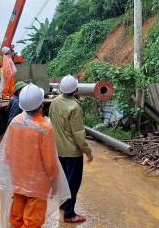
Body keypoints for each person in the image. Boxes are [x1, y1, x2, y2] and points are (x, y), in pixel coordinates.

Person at [0, 83, 70, 228]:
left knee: (16, 219)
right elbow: (50, 163)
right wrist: (55, 183)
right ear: (41, 103)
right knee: (32, 223)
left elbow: (7, 154)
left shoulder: (15, 122)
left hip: (18, 183)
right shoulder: (45, 127)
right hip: (38, 187)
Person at [49, 74, 94, 224]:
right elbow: (79, 134)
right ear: (75, 89)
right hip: (72, 153)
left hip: (58, 149)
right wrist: (87, 151)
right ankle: (69, 214)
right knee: (72, 183)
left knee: (62, 180)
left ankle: (63, 205)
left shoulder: (54, 102)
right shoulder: (75, 107)